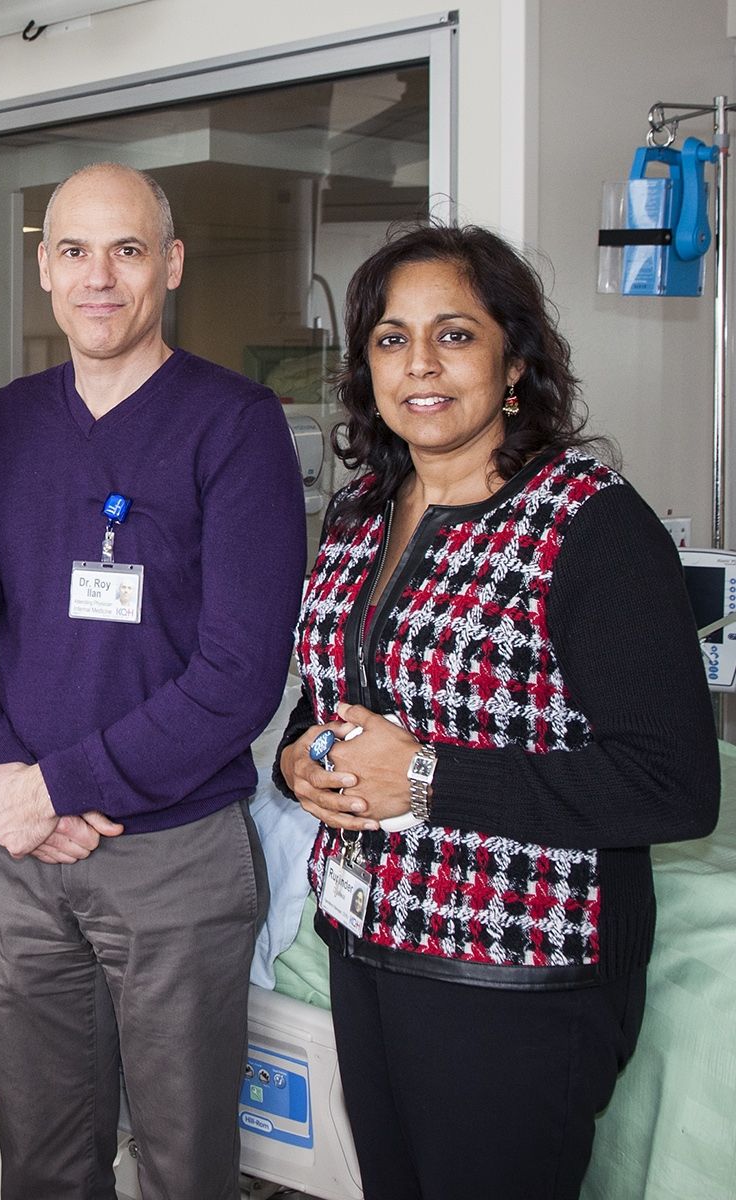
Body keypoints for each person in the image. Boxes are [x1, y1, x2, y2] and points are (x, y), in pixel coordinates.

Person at [275, 223, 720, 1199]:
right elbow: (326, 697)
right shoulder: (359, 512)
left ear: (515, 362)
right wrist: (299, 760)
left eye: (456, 334)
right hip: (367, 944)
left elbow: (674, 784)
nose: (420, 363)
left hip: (513, 976)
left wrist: (428, 778)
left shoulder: (588, 522)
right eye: (392, 339)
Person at [0, 162, 306, 1198]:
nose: (100, 275)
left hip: (175, 856)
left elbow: (239, 676)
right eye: (74, 250)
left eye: (129, 249)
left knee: (186, 1167)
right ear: (45, 269)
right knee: (45, 1160)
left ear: (171, 265)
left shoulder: (236, 427)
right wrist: (4, 771)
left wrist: (53, 789)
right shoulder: (5, 427)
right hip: (22, 858)